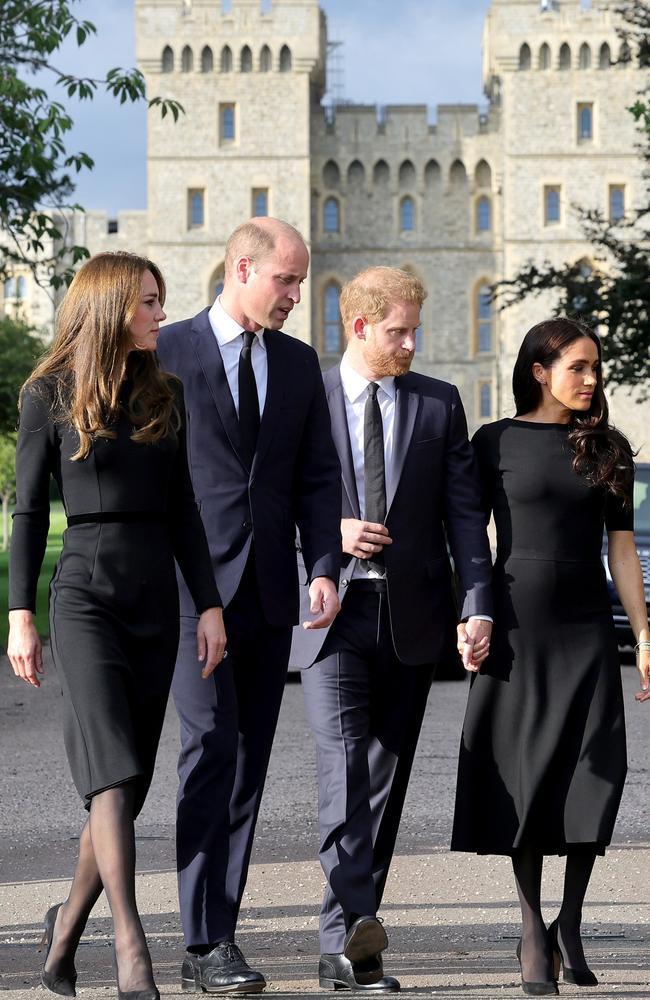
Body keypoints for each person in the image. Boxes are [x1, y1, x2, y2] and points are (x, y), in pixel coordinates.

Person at [7, 252, 225, 1000]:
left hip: (153, 604)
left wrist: (211, 604)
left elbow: (187, 509)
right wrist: (20, 616)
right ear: (110, 307)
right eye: (149, 303)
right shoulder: (49, 392)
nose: (161, 315)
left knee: (121, 793)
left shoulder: (168, 393)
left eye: (161, 302)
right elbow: (29, 511)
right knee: (114, 772)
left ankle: (63, 939)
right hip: (85, 601)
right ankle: (132, 946)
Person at [156, 217, 342, 993]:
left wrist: (324, 565)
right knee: (207, 753)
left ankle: (218, 937)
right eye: (286, 281)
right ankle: (201, 942)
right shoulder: (165, 352)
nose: (297, 296)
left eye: (300, 282)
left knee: (247, 766)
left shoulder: (299, 366)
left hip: (270, 596)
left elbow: (316, 477)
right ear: (241, 268)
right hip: (188, 594)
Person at [297, 266, 494, 991]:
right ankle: (351, 929)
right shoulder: (305, 398)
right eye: (398, 332)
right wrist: (329, 532)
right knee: (344, 765)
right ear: (357, 327)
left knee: (385, 782)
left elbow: (465, 516)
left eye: (415, 330)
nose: (412, 343)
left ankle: (349, 943)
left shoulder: (439, 405)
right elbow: (268, 503)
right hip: (331, 614)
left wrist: (477, 602)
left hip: (411, 619)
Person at [451, 318, 650, 996]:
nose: (592, 379)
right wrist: (468, 612)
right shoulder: (495, 442)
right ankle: (532, 929)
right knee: (528, 775)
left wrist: (644, 632)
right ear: (540, 369)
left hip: (586, 626)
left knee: (595, 773)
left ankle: (571, 921)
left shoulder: (609, 448)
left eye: (597, 367)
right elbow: (469, 538)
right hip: (515, 628)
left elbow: (620, 548)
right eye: (579, 366)